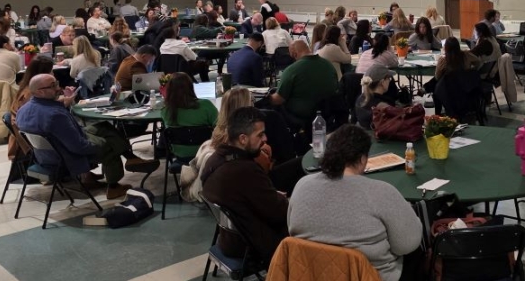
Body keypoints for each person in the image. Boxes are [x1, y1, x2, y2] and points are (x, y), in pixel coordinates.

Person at [287, 124, 422, 281]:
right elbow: (407, 245)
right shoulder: (381, 192)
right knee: (416, 255)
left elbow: (292, 229)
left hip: (311, 274)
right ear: (362, 159)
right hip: (370, 276)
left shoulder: (302, 185)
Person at [17, 73, 156, 199]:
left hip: (43, 155)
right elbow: (78, 147)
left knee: (103, 126)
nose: (58, 88)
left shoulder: (23, 109)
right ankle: (113, 187)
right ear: (40, 92)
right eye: (53, 86)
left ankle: (131, 158)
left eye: (57, 83)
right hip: (65, 156)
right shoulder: (55, 115)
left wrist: (66, 102)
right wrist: (102, 144)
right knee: (109, 145)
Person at [201, 107, 289, 261]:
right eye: (260, 135)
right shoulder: (245, 171)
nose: (265, 139)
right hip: (252, 245)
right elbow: (280, 213)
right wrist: (284, 199)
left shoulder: (214, 160)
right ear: (243, 139)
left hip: (228, 238)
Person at [271, 40, 340, 128]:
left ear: (294, 54)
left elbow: (278, 99)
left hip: (300, 117)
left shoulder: (292, 70)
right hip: (328, 114)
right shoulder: (328, 65)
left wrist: (267, 98)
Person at [162, 73, 219, 159]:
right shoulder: (206, 106)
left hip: (179, 153)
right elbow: (220, 126)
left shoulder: (166, 111)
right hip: (205, 153)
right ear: (191, 87)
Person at [355, 64, 396, 129]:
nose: (389, 81)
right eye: (389, 78)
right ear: (382, 82)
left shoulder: (360, 99)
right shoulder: (382, 106)